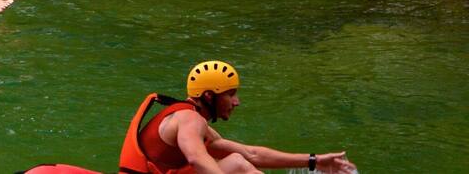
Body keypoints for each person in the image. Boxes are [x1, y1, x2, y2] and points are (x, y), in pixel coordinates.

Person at [118, 60, 358, 174]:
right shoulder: (189, 120)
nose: (236, 101)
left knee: (238, 160)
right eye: (230, 94)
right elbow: (197, 159)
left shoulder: (193, 121)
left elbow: (252, 153)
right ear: (210, 96)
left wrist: (314, 160)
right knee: (236, 164)